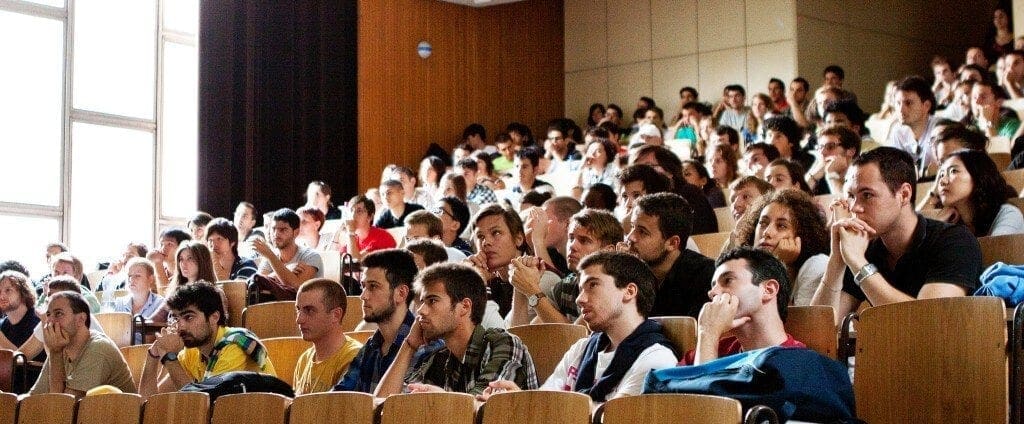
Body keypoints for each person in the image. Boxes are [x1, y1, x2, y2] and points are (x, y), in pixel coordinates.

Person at [811, 148, 982, 324]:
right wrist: (837, 259)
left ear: (904, 194)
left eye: (867, 195)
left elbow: (928, 323)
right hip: (885, 350)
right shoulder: (863, 247)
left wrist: (858, 263)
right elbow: (818, 329)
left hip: (948, 349)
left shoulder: (955, 240)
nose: (854, 208)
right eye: (851, 196)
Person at [479, 251, 678, 402]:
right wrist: (517, 400)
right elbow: (546, 407)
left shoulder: (655, 359)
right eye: (580, 289)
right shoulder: (582, 349)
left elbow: (613, 417)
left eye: (593, 285)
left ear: (629, 291)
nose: (580, 299)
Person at [374, 263, 538, 396]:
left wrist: (443, 400)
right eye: (422, 302)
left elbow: (485, 406)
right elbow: (384, 406)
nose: (420, 311)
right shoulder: (440, 358)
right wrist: (409, 346)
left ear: (464, 307)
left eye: (432, 301)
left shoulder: (503, 343)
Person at [139, 281, 275, 397]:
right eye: (176, 318)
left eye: (189, 317)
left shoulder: (235, 344)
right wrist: (153, 354)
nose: (180, 326)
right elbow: (151, 402)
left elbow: (207, 405)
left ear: (214, 317)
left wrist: (169, 357)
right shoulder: (191, 352)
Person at [681, 247, 805, 365]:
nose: (712, 293)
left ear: (769, 290)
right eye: (713, 286)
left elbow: (701, 387)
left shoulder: (799, 363)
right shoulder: (711, 347)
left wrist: (708, 333)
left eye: (728, 280)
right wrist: (708, 335)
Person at [509, 209, 623, 324]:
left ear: (608, 251)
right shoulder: (564, 287)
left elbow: (575, 337)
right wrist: (520, 283)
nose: (572, 246)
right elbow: (525, 337)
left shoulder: (614, 288)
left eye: (584, 240)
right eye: (571, 238)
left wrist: (532, 291)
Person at [333, 249, 419, 393]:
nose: (363, 296)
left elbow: (395, 408)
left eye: (373, 286)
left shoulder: (424, 347)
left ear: (401, 293)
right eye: (363, 286)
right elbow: (340, 397)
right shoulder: (371, 346)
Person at [624, 193, 715, 318]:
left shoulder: (706, 277)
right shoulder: (629, 273)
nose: (630, 237)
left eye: (642, 232)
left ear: (672, 243)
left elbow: (692, 334)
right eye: (633, 227)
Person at [733, 189, 829, 306]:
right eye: (763, 223)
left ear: (802, 235)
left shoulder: (816, 265)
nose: (767, 232)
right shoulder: (746, 271)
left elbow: (794, 323)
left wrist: (780, 266)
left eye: (781, 226)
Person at [31, 291, 136, 396]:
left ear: (81, 319)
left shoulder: (98, 348)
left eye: (58, 314)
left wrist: (55, 352)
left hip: (117, 412)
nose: (50, 321)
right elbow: (33, 398)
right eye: (48, 314)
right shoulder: (60, 348)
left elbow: (64, 406)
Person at [292, 279, 363, 395]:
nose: (299, 319)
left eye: (309, 310)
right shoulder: (304, 360)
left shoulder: (354, 357)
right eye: (298, 310)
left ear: (336, 315)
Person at [933, 149, 1024, 236]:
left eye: (953, 171)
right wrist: (938, 224)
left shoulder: (1008, 213)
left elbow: (994, 250)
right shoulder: (947, 221)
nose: (942, 181)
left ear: (978, 176)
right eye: (941, 175)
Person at [251, 208, 324, 301]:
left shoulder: (311, 256)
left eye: (283, 230)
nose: (276, 234)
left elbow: (296, 289)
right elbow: (259, 283)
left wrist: (270, 256)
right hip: (274, 309)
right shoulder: (270, 257)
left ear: (296, 232)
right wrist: (287, 268)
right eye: (273, 229)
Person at [147, 241, 217, 323]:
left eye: (190, 258)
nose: (183, 264)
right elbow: (154, 319)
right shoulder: (175, 291)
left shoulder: (214, 293)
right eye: (181, 259)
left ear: (202, 261)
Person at [113, 258, 164, 341]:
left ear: (150, 279)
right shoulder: (119, 303)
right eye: (129, 276)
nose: (131, 280)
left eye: (137, 276)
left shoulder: (160, 304)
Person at [336, 195, 397, 261]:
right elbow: (336, 260)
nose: (352, 215)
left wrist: (350, 232)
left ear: (370, 217)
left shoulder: (382, 237)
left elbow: (355, 262)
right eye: (351, 210)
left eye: (359, 211)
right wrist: (337, 233)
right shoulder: (353, 238)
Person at [805, 125, 862, 196]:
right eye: (820, 148)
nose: (822, 153)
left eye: (830, 147)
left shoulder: (863, 177)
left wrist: (831, 175)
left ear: (851, 151)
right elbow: (794, 202)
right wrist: (812, 177)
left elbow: (847, 205)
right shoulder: (821, 177)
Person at [205, 218, 259, 282]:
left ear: (232, 242)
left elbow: (228, 290)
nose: (213, 244)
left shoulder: (246, 265)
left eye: (219, 239)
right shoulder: (206, 267)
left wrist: (215, 261)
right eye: (210, 240)